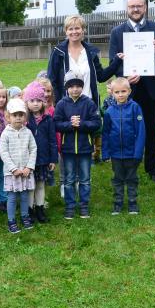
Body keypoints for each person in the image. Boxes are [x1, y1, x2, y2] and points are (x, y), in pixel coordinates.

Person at [108, 0, 155, 184]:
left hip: (151, 88)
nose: (135, 10)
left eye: (139, 6)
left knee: (152, 130)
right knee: (127, 129)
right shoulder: (117, 32)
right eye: (132, 6)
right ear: (127, 9)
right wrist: (125, 77)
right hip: (128, 90)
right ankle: (128, 169)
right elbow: (113, 61)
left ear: (145, 7)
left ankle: (152, 169)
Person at [47, 15, 119, 112]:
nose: (74, 32)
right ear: (66, 31)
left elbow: (101, 76)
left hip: (88, 106)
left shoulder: (90, 52)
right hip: (67, 107)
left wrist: (117, 61)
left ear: (83, 30)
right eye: (70, 29)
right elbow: (52, 80)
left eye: (77, 28)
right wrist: (59, 105)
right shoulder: (58, 52)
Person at [54, 71, 101, 219]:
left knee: (85, 179)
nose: (75, 89)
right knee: (69, 179)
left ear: (82, 87)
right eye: (71, 86)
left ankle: (84, 206)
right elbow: (56, 124)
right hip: (67, 149)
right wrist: (69, 124)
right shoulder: (61, 104)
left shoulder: (88, 103)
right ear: (67, 88)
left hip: (85, 148)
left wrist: (82, 124)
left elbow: (97, 123)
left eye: (78, 86)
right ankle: (70, 206)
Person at [102, 77, 146, 215]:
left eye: (123, 91)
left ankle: (133, 203)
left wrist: (138, 152)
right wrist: (106, 153)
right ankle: (117, 204)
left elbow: (140, 131)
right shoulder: (109, 111)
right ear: (112, 93)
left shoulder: (135, 108)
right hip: (115, 154)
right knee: (117, 179)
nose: (120, 94)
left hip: (132, 153)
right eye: (117, 92)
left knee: (132, 179)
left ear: (129, 91)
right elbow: (106, 133)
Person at [0, 98, 38, 233]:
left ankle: (25, 216)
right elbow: (4, 153)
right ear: (8, 117)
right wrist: (13, 169)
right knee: (12, 197)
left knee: (24, 196)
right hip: (12, 173)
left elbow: (33, 149)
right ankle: (11, 220)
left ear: (25, 116)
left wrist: (29, 167)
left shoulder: (27, 132)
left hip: (26, 171)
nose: (18, 118)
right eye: (15, 115)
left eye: (21, 115)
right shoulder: (5, 134)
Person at [24, 81, 57, 223]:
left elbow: (52, 140)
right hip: (29, 160)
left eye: (39, 100)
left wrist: (53, 159)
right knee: (30, 186)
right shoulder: (25, 120)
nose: (36, 103)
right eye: (32, 100)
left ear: (43, 102)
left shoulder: (48, 119)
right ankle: (30, 211)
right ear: (27, 102)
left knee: (40, 185)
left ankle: (40, 209)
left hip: (44, 159)